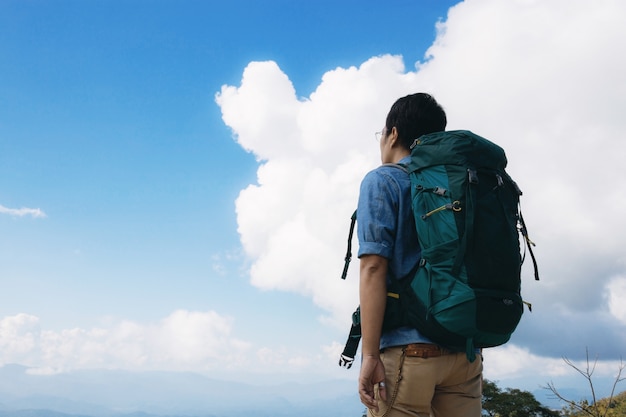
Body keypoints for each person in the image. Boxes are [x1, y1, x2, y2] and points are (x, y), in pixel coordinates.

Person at [356, 93, 483, 417]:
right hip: (464, 353)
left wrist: (369, 355)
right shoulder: (463, 184)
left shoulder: (384, 180)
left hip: (409, 352)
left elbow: (373, 267)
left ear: (393, 133)